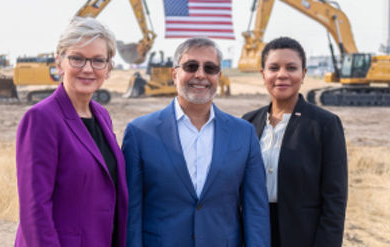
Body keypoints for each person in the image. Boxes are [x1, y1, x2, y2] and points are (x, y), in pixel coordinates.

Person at [122, 37, 270, 247]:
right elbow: (131, 211)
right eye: (191, 66)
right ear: (175, 74)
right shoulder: (139, 133)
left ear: (218, 75)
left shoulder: (244, 134)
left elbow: (255, 209)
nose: (200, 74)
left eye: (209, 68)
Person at [15, 17, 128, 247]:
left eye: (98, 61)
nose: (87, 69)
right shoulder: (41, 119)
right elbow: (34, 210)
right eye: (77, 58)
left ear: (108, 68)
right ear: (59, 63)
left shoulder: (102, 116)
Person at [242, 37, 348, 247]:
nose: (282, 74)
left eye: (291, 67)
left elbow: (335, 199)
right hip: (254, 233)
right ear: (264, 74)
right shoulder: (247, 123)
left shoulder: (324, 124)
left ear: (303, 73)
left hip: (302, 235)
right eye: (274, 68)